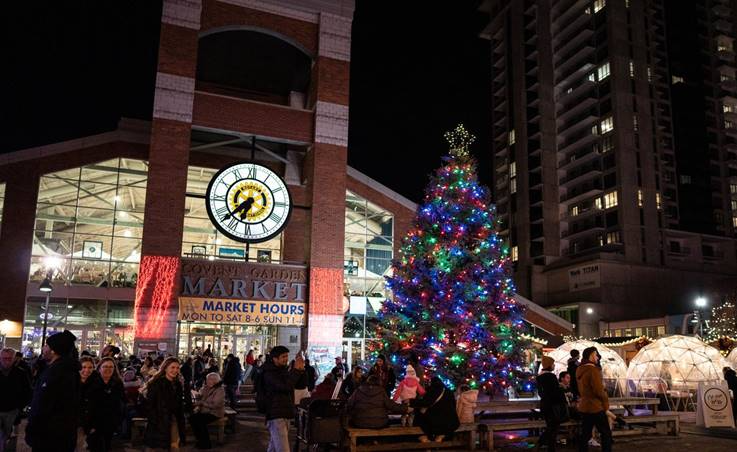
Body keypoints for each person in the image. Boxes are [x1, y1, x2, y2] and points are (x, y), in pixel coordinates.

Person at [25, 330, 80, 452]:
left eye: (46, 345)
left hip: (49, 437)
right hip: (61, 435)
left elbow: (42, 406)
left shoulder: (56, 373)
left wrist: (32, 429)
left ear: (54, 350)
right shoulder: (67, 370)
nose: (43, 348)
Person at [262, 346, 306, 452]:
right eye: (283, 356)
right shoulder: (269, 373)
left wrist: (301, 369)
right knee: (283, 449)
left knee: (273, 448)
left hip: (285, 413)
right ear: (274, 358)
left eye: (287, 356)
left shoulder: (283, 370)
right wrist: (296, 371)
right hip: (276, 415)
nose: (286, 359)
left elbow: (300, 384)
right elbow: (285, 386)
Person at [143, 357, 186, 451]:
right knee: (156, 448)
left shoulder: (177, 384)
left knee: (174, 446)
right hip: (158, 421)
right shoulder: (157, 383)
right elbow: (149, 404)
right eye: (172, 367)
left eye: (177, 368)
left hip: (173, 420)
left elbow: (178, 405)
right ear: (165, 368)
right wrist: (154, 419)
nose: (175, 370)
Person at [576, 347, 612, 452]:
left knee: (585, 434)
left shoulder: (579, 369)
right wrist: (605, 404)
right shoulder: (592, 370)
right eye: (596, 355)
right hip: (596, 407)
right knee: (606, 433)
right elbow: (598, 391)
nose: (597, 357)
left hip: (585, 406)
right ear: (591, 355)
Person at [87, 357, 125, 452]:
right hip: (94, 423)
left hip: (111, 423)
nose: (108, 369)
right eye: (105, 367)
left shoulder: (118, 384)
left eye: (111, 367)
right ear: (99, 368)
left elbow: (121, 402)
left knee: (107, 446)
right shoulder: (92, 382)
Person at [410, 376, 460, 443]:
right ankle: (438, 439)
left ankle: (427, 441)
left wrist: (411, 401)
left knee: (420, 419)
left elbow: (426, 402)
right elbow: (454, 405)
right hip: (451, 421)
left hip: (437, 421)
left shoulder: (432, 390)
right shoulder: (449, 391)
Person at [0, 347, 32, 450]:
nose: (7, 361)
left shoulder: (21, 373)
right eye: (4, 358)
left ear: (14, 359)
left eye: (9, 358)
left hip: (13, 411)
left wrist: (20, 407)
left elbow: (28, 391)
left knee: (12, 438)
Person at [538, 356, 567, 452]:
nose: (554, 365)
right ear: (549, 365)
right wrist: (561, 388)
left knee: (550, 426)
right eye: (553, 364)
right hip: (553, 406)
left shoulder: (540, 377)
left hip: (545, 405)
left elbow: (541, 392)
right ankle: (550, 447)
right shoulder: (551, 376)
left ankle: (543, 442)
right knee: (553, 428)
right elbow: (555, 392)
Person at [190, 372, 225, 450]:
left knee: (199, 421)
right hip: (205, 411)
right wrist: (198, 394)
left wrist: (202, 403)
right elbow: (201, 396)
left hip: (215, 413)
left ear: (215, 380)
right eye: (207, 380)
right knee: (192, 418)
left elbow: (215, 405)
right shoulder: (207, 387)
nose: (207, 381)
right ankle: (200, 440)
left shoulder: (220, 390)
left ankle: (206, 443)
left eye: (209, 380)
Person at [78, 356, 99, 450]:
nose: (87, 370)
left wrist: (94, 424)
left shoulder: (96, 384)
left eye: (90, 367)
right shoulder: (71, 382)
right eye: (84, 367)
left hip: (86, 423)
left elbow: (97, 406)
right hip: (70, 422)